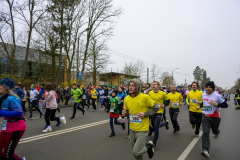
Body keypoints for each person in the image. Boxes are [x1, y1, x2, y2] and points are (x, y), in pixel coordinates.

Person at [122, 79, 160, 160]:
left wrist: (145, 114)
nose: (131, 87)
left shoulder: (144, 97)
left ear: (138, 87)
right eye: (130, 85)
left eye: (133, 85)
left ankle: (149, 146)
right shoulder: (126, 98)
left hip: (142, 129)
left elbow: (156, 107)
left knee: (136, 152)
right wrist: (125, 113)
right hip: (132, 129)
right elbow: (128, 112)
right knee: (136, 154)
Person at [197, 81, 228, 159]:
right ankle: (205, 150)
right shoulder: (203, 95)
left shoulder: (217, 96)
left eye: (210, 87)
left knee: (214, 131)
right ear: (205, 88)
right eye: (207, 87)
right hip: (205, 116)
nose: (208, 88)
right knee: (205, 133)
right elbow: (204, 103)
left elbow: (226, 105)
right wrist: (200, 106)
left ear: (213, 88)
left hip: (215, 117)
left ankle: (216, 132)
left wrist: (216, 104)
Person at [0, 78, 26, 160]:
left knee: (8, 155)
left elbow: (18, 113)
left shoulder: (12, 98)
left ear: (5, 87)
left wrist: (1, 112)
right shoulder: (2, 97)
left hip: (16, 127)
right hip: (6, 125)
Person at [148, 81, 169, 149]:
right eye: (153, 84)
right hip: (152, 111)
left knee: (156, 127)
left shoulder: (162, 93)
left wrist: (164, 104)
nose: (153, 85)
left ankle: (154, 144)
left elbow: (168, 100)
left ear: (158, 86)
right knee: (156, 126)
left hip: (159, 111)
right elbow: (146, 100)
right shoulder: (150, 93)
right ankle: (165, 123)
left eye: (155, 84)